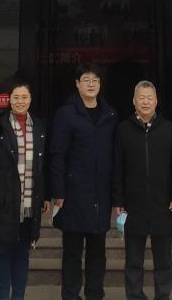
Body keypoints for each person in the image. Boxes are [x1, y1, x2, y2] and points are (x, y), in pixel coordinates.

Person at [49, 63, 118, 300]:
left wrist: (116, 195)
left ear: (100, 84)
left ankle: (94, 294)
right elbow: (57, 154)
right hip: (73, 194)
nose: (91, 84)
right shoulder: (66, 114)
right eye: (86, 80)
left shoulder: (110, 115)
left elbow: (115, 157)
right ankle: (70, 295)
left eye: (95, 80)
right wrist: (58, 191)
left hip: (101, 194)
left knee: (98, 252)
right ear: (77, 84)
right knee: (72, 252)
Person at [112, 80, 172, 300]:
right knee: (133, 260)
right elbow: (117, 167)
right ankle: (135, 296)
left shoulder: (169, 129)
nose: (145, 102)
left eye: (149, 98)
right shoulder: (123, 129)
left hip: (163, 205)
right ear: (134, 101)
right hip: (133, 206)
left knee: (164, 261)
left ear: (156, 101)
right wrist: (118, 200)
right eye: (141, 98)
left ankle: (162, 295)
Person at [0, 81, 50, 300]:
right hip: (4, 201)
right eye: (16, 97)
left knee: (22, 254)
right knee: (3, 253)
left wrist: (45, 196)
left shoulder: (38, 126)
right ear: (9, 99)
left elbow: (43, 165)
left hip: (29, 202)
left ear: (31, 99)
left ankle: (18, 297)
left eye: (24, 97)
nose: (20, 101)